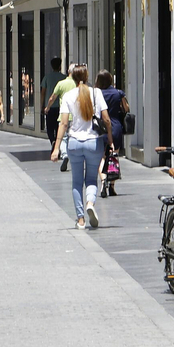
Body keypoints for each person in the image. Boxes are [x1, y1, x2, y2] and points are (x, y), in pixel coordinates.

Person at [50, 66, 111, 229]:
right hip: (93, 142)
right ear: (87, 76)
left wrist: (56, 148)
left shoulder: (68, 96)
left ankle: (81, 219)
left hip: (75, 143)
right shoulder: (96, 93)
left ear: (72, 77)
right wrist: (110, 139)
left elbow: (63, 123)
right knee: (91, 179)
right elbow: (106, 119)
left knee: (77, 182)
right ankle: (90, 203)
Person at [45, 66, 77, 170]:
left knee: (63, 137)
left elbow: (52, 97)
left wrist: (47, 107)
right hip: (76, 116)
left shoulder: (61, 83)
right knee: (74, 137)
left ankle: (64, 154)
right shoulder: (78, 84)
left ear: (68, 71)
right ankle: (74, 156)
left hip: (64, 115)